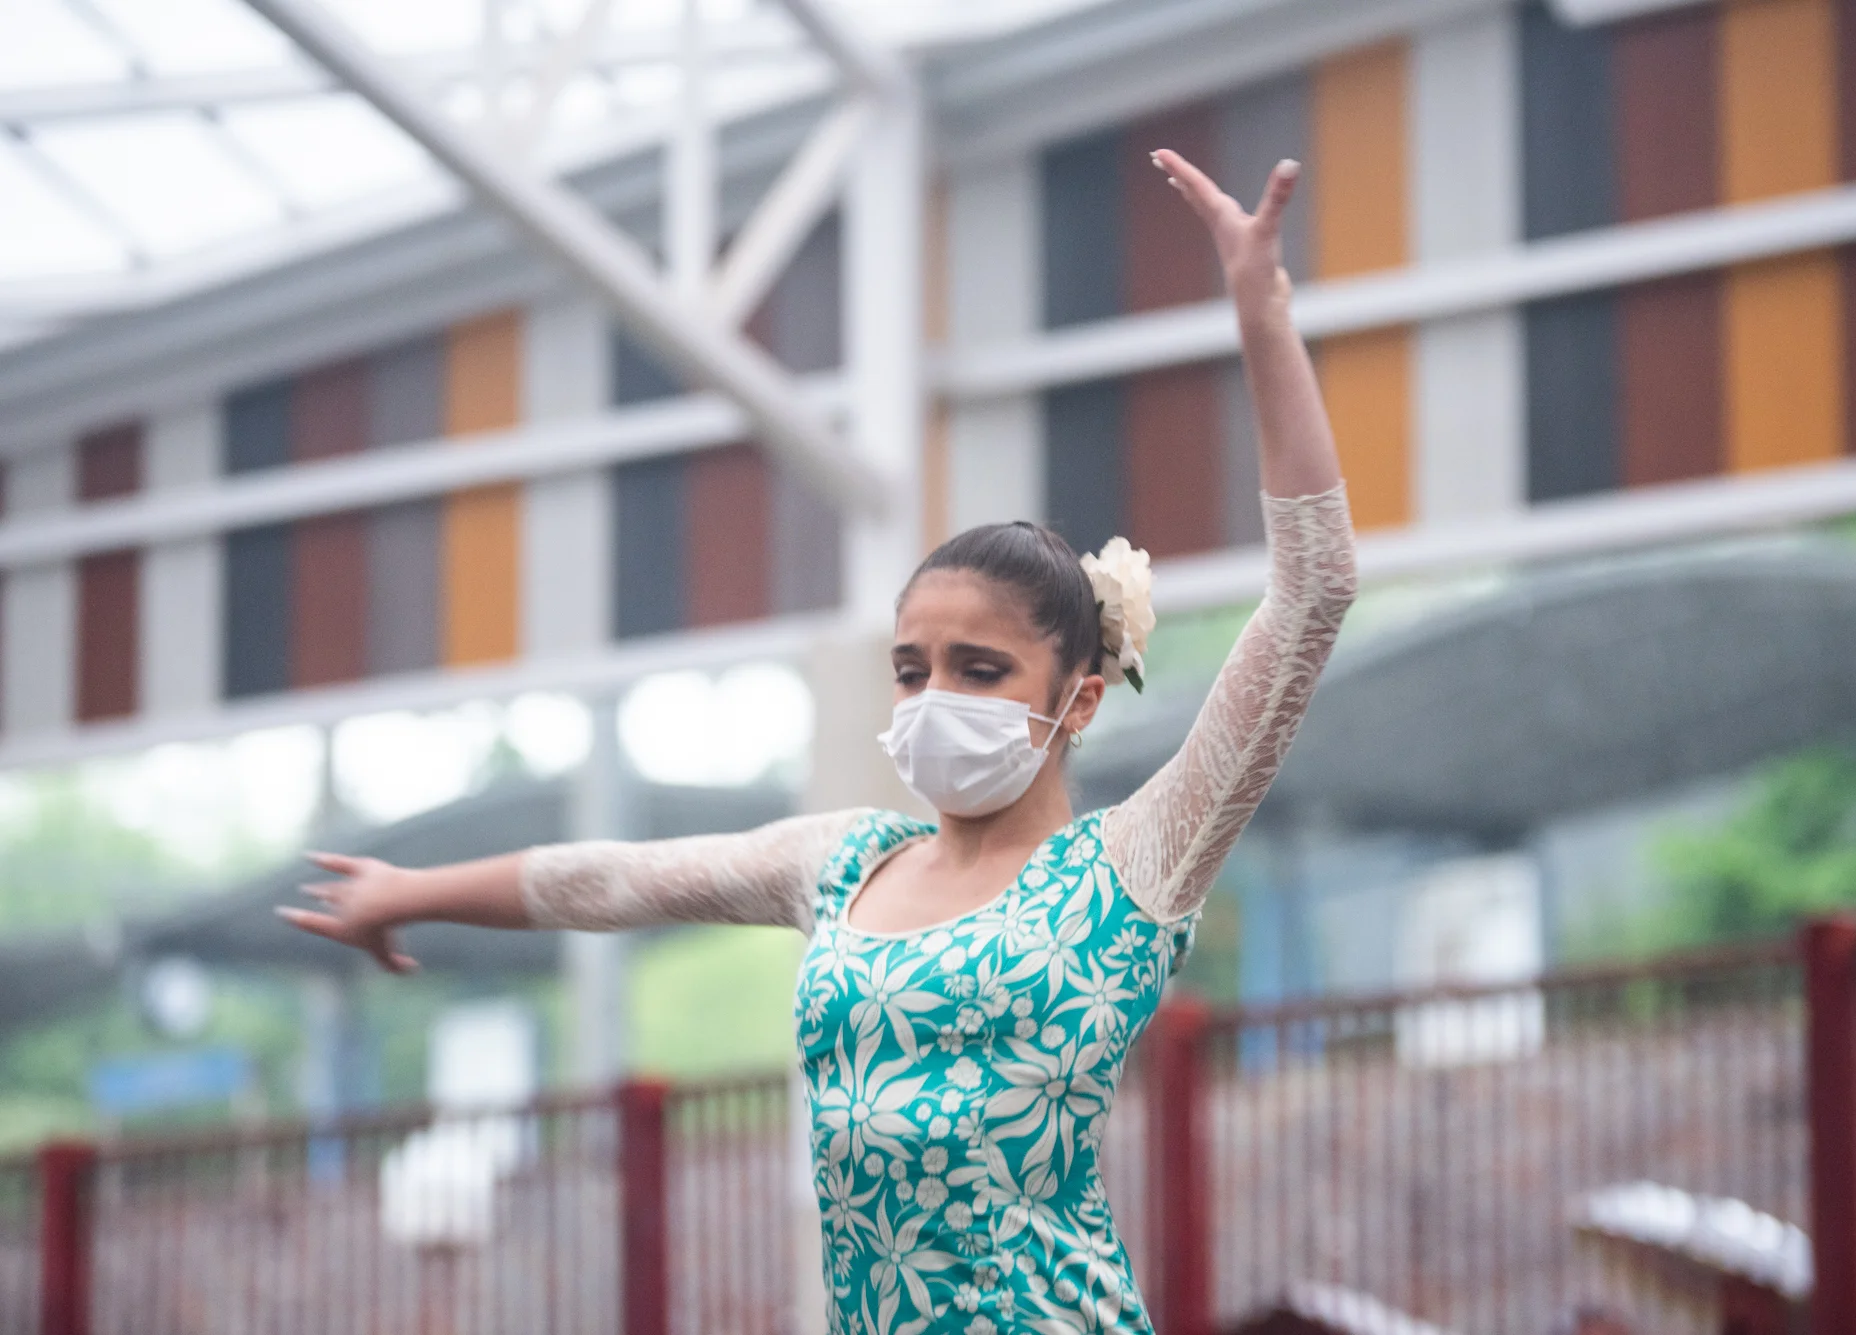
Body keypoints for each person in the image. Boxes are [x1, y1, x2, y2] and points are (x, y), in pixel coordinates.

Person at [283, 148, 1357, 1335]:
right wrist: (409, 892)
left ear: (1081, 700)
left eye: (979, 669)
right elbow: (613, 879)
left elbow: (1311, 593)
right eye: (910, 669)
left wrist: (1259, 313)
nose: (932, 695)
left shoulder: (1131, 866)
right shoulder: (844, 864)